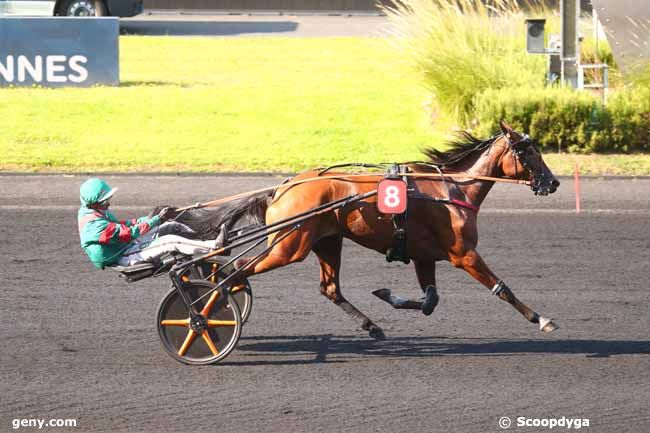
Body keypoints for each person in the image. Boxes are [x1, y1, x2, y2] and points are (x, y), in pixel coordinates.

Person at [77, 178, 220, 269]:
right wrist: (157, 219)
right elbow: (129, 232)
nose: (108, 203)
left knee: (170, 226)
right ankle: (214, 246)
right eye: (105, 201)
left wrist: (155, 217)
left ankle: (206, 238)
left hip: (125, 245)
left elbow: (126, 224)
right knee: (169, 241)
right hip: (122, 256)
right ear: (93, 204)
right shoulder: (94, 226)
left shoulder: (96, 212)